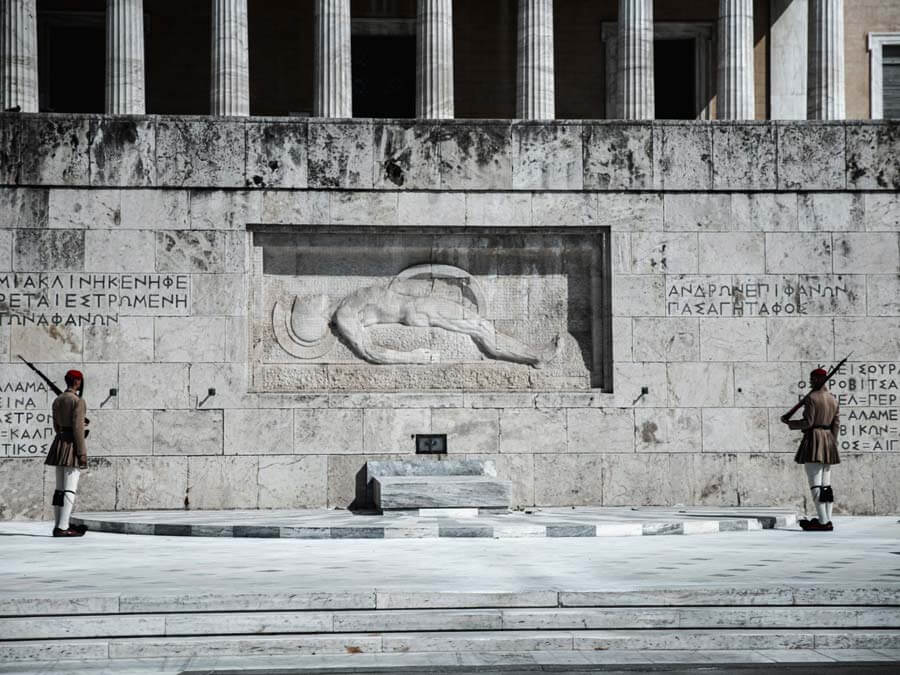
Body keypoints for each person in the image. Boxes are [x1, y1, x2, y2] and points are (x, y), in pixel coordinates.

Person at [782, 368, 840, 532]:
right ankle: (827, 519)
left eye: (812, 379)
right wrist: (831, 442)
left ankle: (823, 522)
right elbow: (836, 425)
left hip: (814, 439)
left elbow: (808, 423)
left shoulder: (812, 398)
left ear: (817, 380)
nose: (810, 382)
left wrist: (789, 423)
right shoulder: (833, 399)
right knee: (826, 486)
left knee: (815, 484)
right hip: (828, 440)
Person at [45, 369, 89, 537]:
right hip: (71, 445)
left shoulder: (58, 400)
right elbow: (78, 429)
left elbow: (56, 426)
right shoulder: (78, 401)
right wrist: (82, 453)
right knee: (70, 488)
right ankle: (63, 527)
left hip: (59, 442)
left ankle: (58, 525)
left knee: (59, 489)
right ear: (77, 382)